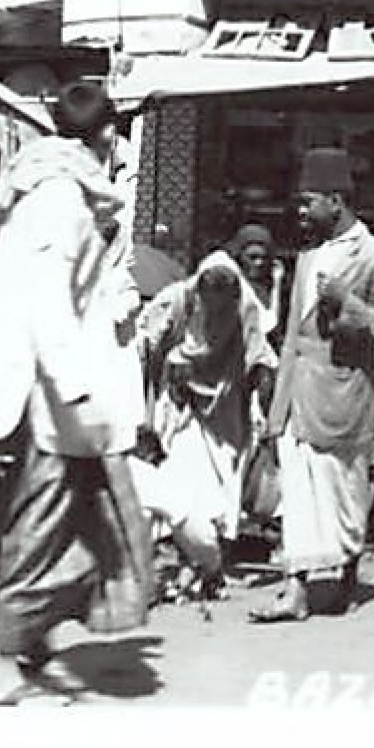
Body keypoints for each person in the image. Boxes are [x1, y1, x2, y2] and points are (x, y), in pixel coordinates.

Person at [0, 82, 153, 706]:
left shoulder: (54, 187)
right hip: (47, 393)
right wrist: (77, 391)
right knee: (40, 525)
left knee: (71, 523)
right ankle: (3, 662)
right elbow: (47, 303)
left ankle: (28, 639)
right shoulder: (60, 196)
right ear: (107, 134)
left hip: (56, 385)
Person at [249, 147, 374, 624]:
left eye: (307, 202)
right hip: (299, 392)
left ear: (336, 201)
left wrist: (347, 303)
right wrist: (276, 411)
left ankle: (345, 573)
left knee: (345, 493)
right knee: (297, 494)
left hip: (343, 395)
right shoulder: (306, 257)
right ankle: (295, 591)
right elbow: (294, 337)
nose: (299, 212)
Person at [136, 250, 277, 597]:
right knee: (181, 484)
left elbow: (262, 358)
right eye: (208, 296)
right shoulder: (178, 300)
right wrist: (147, 408)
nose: (214, 308)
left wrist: (269, 410)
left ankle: (203, 567)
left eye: (222, 298)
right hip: (182, 411)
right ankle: (189, 563)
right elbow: (146, 346)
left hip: (228, 413)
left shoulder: (245, 309)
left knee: (219, 489)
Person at [228, 223, 285, 343]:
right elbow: (269, 324)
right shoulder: (234, 288)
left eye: (264, 258)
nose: (259, 263)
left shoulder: (262, 290)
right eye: (252, 257)